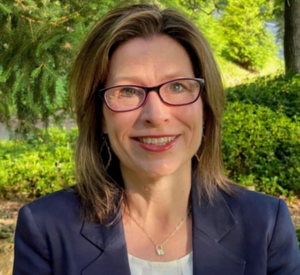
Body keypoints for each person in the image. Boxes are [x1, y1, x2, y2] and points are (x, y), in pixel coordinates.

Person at [13, 3, 300, 275]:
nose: (156, 114)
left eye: (177, 86)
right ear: (99, 116)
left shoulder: (265, 225)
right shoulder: (47, 229)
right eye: (127, 90)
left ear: (206, 107)